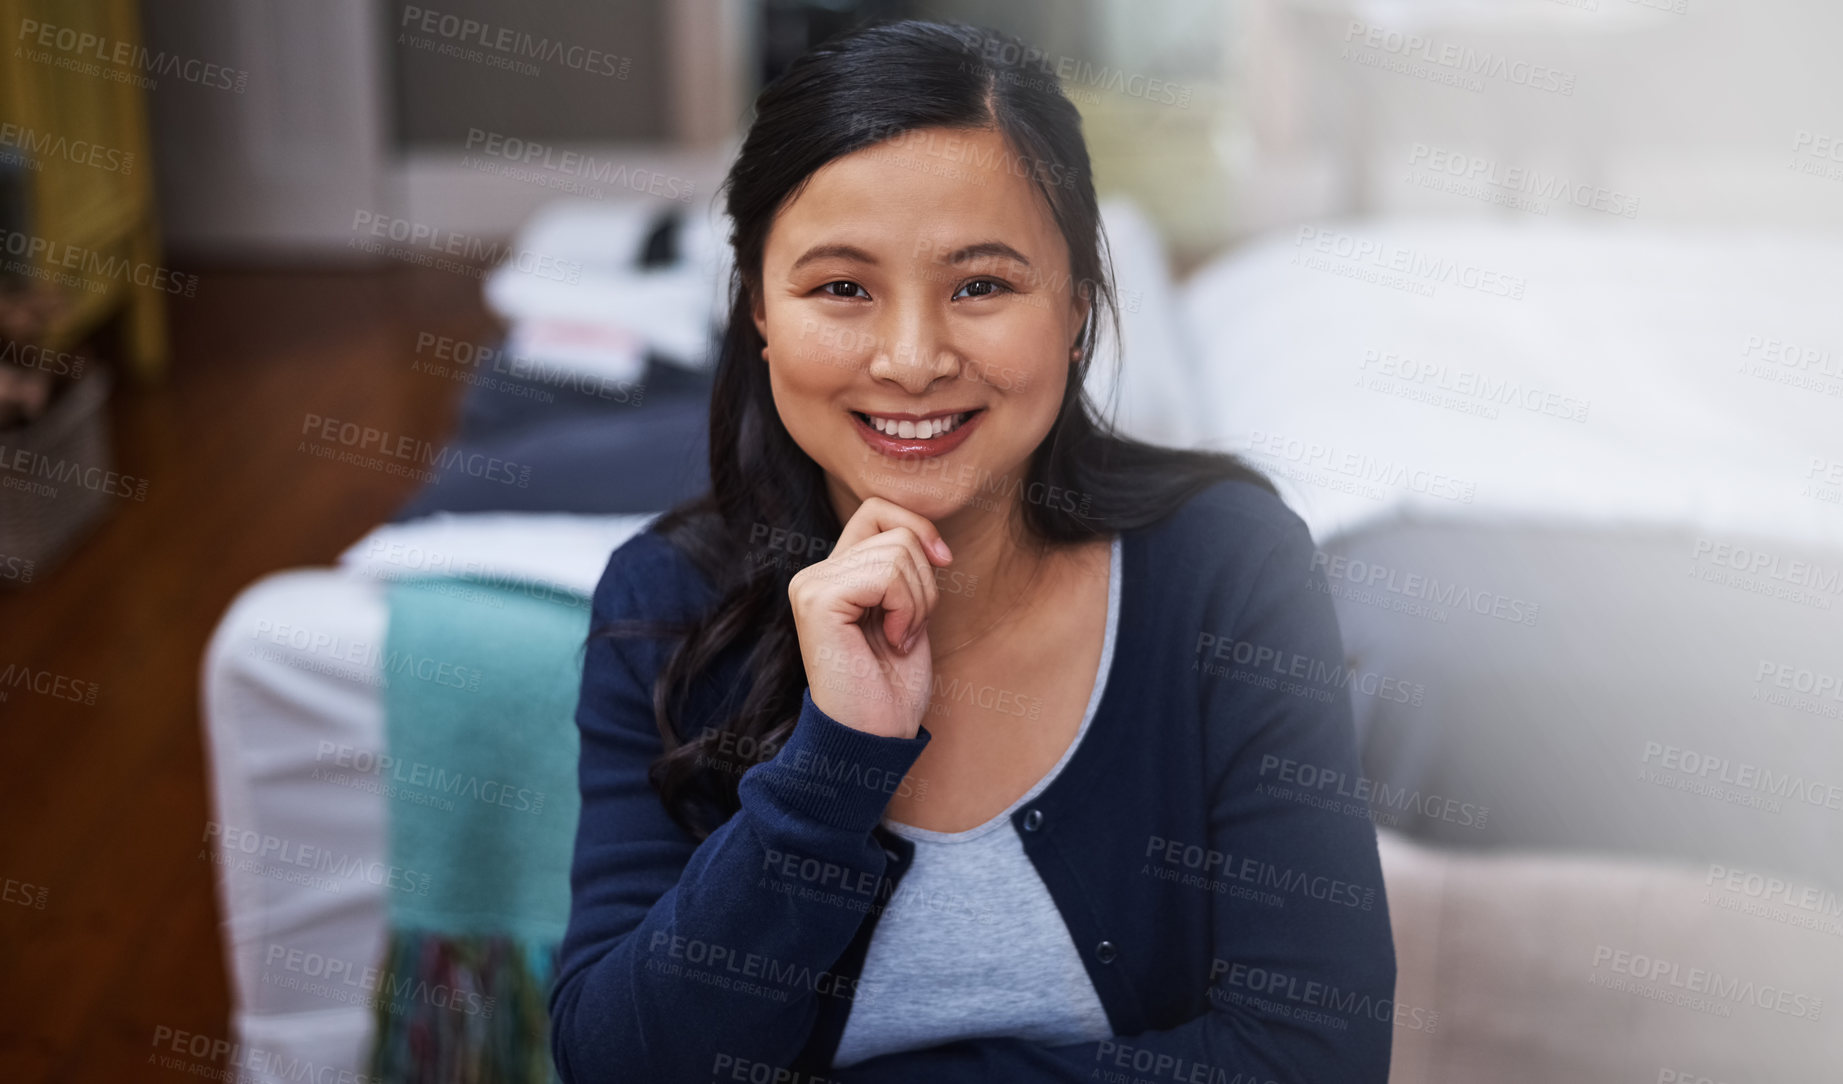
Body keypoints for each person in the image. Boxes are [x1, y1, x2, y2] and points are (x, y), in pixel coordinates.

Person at [549, 19, 1395, 1083]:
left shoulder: (1227, 571)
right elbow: (619, 1066)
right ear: (760, 312)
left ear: (1078, 310)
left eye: (981, 284)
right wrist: (834, 761)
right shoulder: (664, 601)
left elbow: (1313, 1054)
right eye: (841, 288)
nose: (912, 359)